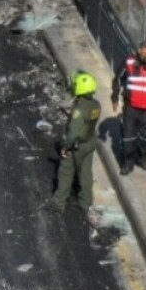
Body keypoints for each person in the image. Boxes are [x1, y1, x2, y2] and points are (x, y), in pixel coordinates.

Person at [111, 40, 146, 175]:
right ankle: (128, 164)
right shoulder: (129, 62)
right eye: (144, 55)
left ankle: (142, 160)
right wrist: (114, 98)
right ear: (139, 52)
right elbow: (117, 79)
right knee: (128, 136)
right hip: (131, 107)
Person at [50, 71, 102, 213]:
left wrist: (65, 148)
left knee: (65, 172)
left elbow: (73, 134)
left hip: (76, 146)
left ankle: (58, 203)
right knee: (85, 174)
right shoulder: (96, 105)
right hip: (90, 143)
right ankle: (85, 203)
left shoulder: (79, 110)